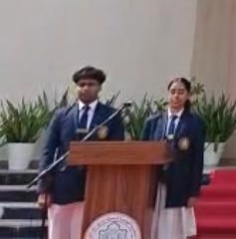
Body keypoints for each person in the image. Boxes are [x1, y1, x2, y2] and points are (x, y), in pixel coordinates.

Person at [37, 65, 126, 239]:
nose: (85, 88)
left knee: (86, 233)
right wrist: (43, 189)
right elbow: (48, 151)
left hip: (94, 186)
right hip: (63, 186)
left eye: (91, 84)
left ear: (99, 87)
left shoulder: (111, 116)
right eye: (81, 84)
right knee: (59, 233)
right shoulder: (62, 115)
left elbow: (116, 153)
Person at [142, 77, 206, 239]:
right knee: (154, 225)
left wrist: (193, 192)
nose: (176, 96)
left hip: (180, 182)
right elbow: (142, 152)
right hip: (155, 181)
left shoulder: (195, 123)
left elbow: (197, 159)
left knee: (173, 226)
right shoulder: (153, 121)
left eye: (181, 92)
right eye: (173, 92)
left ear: (188, 95)